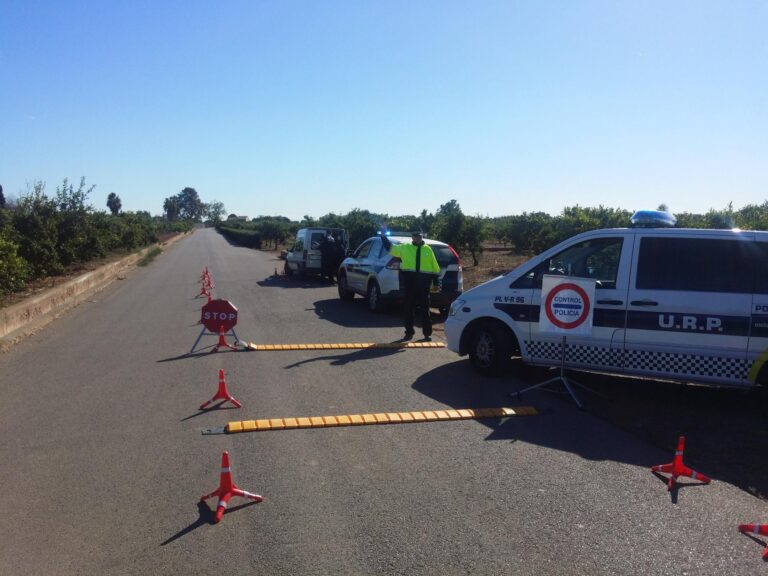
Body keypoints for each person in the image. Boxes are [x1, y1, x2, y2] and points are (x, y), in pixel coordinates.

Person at [381, 230, 441, 340]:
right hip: (410, 284)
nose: (418, 238)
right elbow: (390, 248)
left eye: (420, 236)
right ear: (412, 237)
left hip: (424, 285)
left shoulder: (428, 249)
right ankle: (409, 332)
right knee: (409, 309)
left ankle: (427, 334)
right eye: (416, 236)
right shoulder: (404, 247)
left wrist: (436, 283)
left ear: (422, 237)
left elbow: (435, 267)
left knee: (425, 309)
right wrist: (383, 236)